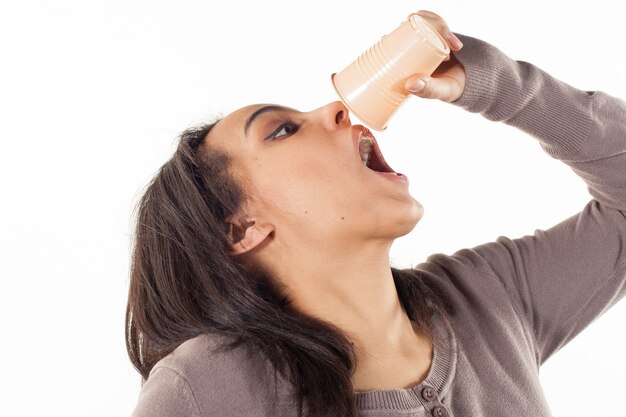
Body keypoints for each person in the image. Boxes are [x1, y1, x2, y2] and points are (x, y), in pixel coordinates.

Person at [126, 10, 626, 417]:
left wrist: (498, 88)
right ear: (242, 229)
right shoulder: (211, 388)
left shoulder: (489, 299)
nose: (334, 109)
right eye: (282, 130)